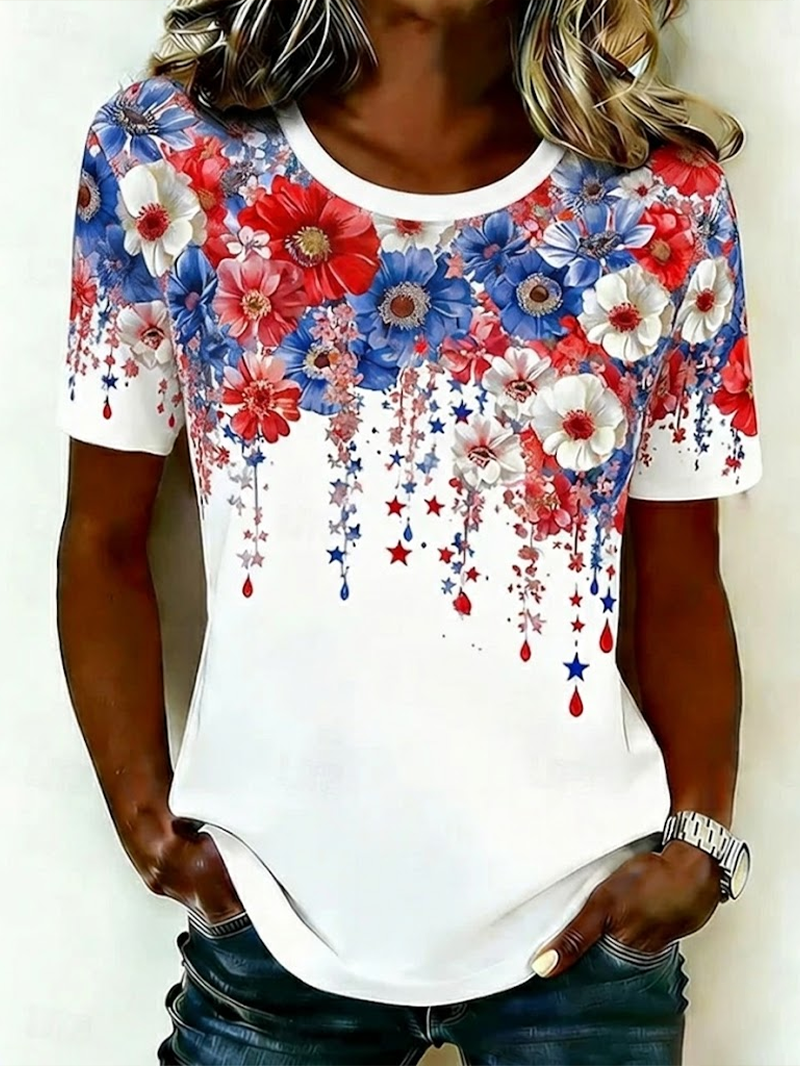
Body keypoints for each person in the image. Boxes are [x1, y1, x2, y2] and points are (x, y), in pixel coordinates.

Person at [55, 0, 762, 1061]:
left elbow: (679, 578)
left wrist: (699, 847)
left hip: (585, 941)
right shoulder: (165, 156)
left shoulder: (659, 199)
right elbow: (101, 538)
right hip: (270, 930)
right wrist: (149, 830)